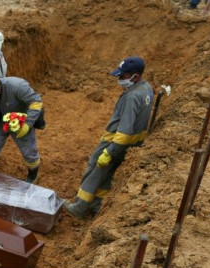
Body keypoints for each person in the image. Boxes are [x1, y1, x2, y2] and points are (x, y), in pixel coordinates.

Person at [64, 56, 154, 219]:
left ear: (135, 76)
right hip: (132, 145)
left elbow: (125, 130)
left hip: (114, 143)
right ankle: (96, 206)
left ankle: (78, 208)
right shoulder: (147, 88)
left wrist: (109, 152)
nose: (119, 79)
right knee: (107, 174)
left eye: (123, 76)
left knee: (94, 172)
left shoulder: (132, 96)